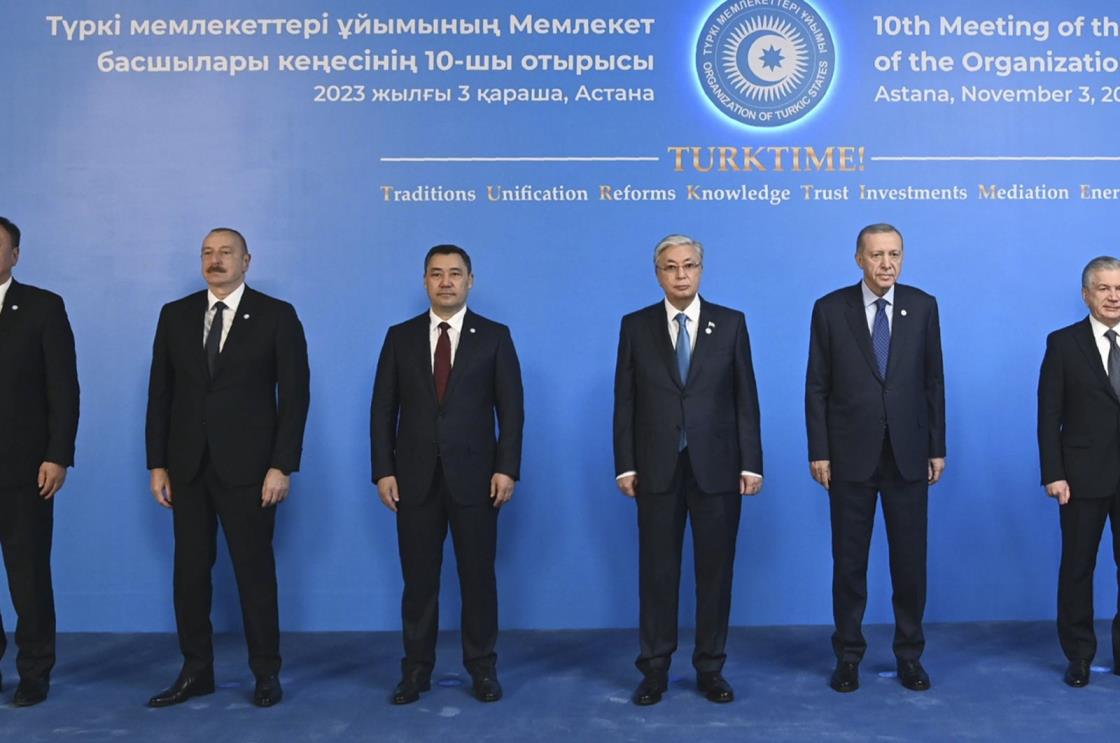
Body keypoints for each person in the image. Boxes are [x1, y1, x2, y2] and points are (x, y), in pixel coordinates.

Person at [145, 228, 309, 708]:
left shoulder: (277, 316)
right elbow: (161, 395)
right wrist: (157, 463)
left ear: (246, 260)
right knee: (189, 575)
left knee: (254, 574)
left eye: (225, 253)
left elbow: (295, 399)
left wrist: (282, 466)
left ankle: (265, 673)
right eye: (207, 253)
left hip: (252, 471)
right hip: (187, 468)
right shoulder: (174, 316)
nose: (215, 261)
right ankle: (196, 671)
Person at [613, 234, 763, 705]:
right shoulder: (635, 326)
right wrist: (625, 465)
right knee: (658, 572)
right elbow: (625, 402)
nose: (681, 275)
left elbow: (746, 399)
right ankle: (654, 669)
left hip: (718, 468)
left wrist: (751, 463)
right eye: (671, 267)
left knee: (715, 573)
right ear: (657, 273)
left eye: (689, 265)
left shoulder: (731, 323)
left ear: (702, 269)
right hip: (656, 469)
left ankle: (710, 667)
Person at [371, 244, 523, 705]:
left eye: (455, 273)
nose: (446, 282)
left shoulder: (495, 336)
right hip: (413, 479)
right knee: (419, 581)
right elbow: (383, 411)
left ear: (470, 280)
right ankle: (415, 671)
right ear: (425, 281)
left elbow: (511, 412)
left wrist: (506, 469)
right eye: (436, 274)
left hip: (477, 478)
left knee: (478, 578)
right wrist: (383, 470)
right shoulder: (400, 337)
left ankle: (482, 668)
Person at [805, 223, 945, 693]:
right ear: (858, 258)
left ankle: (910, 655)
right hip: (849, 457)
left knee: (910, 564)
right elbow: (817, 387)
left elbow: (933, 382)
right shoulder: (829, 309)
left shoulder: (923, 306)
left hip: (908, 454)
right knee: (849, 564)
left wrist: (936, 447)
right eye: (877, 255)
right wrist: (819, 450)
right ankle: (848, 656)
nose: (887, 263)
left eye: (895, 254)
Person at [0, 216, 79, 707]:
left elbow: (63, 389)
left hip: (25, 469)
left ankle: (34, 670)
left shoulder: (43, 307)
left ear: (15, 255)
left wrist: (58, 455)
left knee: (28, 577)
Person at [1038, 255, 1120, 688]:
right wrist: (1054, 472)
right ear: (1087, 294)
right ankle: (1079, 656)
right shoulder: (1063, 343)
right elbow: (1048, 415)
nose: (1113, 296)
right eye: (1104, 288)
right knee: (1077, 568)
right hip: (1081, 477)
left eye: (1119, 288)